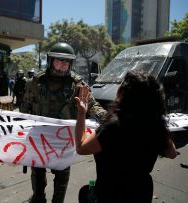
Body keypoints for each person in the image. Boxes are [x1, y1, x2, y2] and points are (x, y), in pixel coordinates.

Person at [20, 42, 106, 203]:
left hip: (64, 140)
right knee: (38, 176)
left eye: (66, 61)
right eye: (58, 60)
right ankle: (38, 198)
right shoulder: (35, 82)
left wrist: (107, 118)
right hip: (39, 138)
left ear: (70, 63)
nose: (62, 64)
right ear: (51, 60)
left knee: (62, 177)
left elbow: (92, 105)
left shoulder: (78, 84)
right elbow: (25, 108)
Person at [74, 70, 177, 203]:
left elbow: (81, 148)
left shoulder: (114, 126)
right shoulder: (155, 126)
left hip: (111, 194)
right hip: (141, 194)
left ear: (125, 94)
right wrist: (158, 121)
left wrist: (81, 112)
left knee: (84, 192)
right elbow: (172, 153)